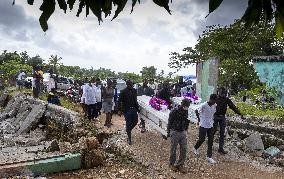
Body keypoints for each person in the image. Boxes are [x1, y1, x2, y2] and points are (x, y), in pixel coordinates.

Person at [213, 87, 245, 154]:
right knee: (213, 131)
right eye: (222, 93)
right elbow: (209, 106)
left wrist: (240, 113)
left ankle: (220, 148)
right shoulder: (215, 98)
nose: (223, 94)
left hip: (222, 117)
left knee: (222, 133)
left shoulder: (226, 99)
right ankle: (210, 145)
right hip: (215, 117)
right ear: (219, 92)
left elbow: (233, 107)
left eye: (224, 93)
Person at [167, 98, 191, 173]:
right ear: (182, 104)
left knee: (184, 148)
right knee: (173, 148)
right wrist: (168, 132)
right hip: (175, 131)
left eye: (188, 106)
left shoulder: (186, 111)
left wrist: (186, 129)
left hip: (183, 132)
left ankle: (180, 164)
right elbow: (169, 122)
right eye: (185, 105)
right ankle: (171, 164)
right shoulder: (174, 111)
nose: (186, 107)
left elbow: (187, 120)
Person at [193, 94, 218, 164]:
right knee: (202, 139)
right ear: (211, 99)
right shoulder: (204, 105)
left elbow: (213, 113)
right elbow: (196, 111)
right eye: (214, 100)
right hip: (203, 125)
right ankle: (195, 148)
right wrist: (199, 119)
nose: (215, 102)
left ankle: (209, 157)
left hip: (210, 125)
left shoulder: (214, 105)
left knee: (210, 141)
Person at [118, 80, 139, 145]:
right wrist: (119, 110)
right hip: (127, 110)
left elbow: (135, 99)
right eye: (130, 84)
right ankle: (129, 138)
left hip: (134, 109)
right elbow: (119, 101)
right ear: (127, 84)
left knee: (135, 121)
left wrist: (137, 108)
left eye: (132, 84)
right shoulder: (123, 91)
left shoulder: (134, 90)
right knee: (128, 123)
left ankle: (128, 130)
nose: (131, 85)